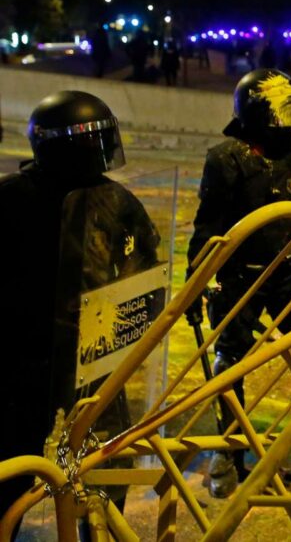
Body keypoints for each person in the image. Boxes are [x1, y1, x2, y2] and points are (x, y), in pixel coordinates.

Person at [0, 91, 159, 527]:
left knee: (104, 474)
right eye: (86, 142)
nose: (96, 152)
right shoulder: (13, 199)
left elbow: (142, 274)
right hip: (23, 362)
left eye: (100, 140)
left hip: (94, 361)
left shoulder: (116, 201)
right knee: (11, 471)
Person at [187, 68, 291, 498]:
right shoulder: (227, 158)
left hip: (290, 275)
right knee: (230, 362)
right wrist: (197, 280)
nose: (287, 122)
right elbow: (208, 228)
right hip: (238, 280)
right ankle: (228, 450)